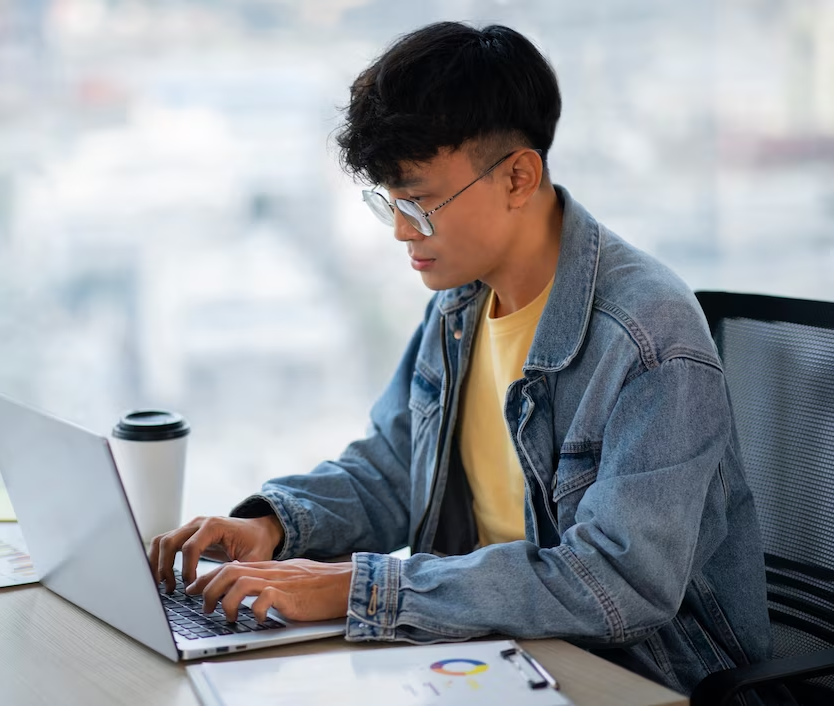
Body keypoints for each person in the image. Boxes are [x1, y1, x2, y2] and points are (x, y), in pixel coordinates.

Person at [148, 22, 774, 700]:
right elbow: (393, 469)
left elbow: (616, 584)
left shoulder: (649, 337)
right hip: (489, 651)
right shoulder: (460, 305)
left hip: (639, 673)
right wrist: (273, 524)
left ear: (518, 177)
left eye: (419, 202)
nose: (399, 230)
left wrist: (358, 589)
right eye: (390, 201)